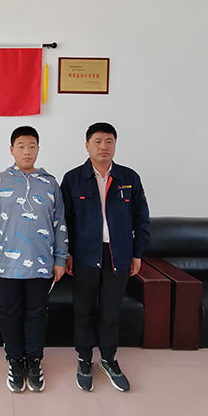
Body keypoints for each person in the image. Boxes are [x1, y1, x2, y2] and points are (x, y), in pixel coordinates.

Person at [61, 122, 149, 393]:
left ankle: (109, 359)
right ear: (87, 146)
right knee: (83, 311)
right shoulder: (73, 179)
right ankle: (84, 359)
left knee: (111, 312)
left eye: (109, 141)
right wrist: (67, 254)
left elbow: (141, 219)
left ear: (115, 145)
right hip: (84, 255)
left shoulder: (129, 178)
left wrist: (136, 253)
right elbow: (64, 222)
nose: (103, 146)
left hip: (117, 255)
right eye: (97, 141)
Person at [0, 126, 69, 393]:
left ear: (38, 149)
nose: (26, 151)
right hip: (6, 266)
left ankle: (34, 360)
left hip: (41, 264)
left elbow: (60, 223)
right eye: (21, 146)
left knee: (37, 314)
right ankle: (15, 361)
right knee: (9, 314)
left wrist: (61, 258)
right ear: (11, 150)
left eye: (32, 146)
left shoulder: (51, 184)